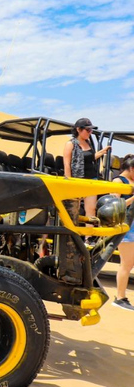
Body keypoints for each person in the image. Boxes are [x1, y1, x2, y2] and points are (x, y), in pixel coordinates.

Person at [62, 117, 111, 219]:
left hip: (91, 180)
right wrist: (69, 182)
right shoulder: (70, 144)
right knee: (74, 210)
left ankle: (89, 235)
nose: (90, 132)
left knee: (91, 209)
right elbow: (67, 163)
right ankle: (73, 234)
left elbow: (90, 158)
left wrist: (102, 151)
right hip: (77, 180)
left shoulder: (88, 142)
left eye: (91, 130)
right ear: (78, 130)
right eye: (88, 130)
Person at [111, 154, 134, 310]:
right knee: (126, 264)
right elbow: (115, 206)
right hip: (126, 227)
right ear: (131, 168)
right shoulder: (118, 181)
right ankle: (120, 298)